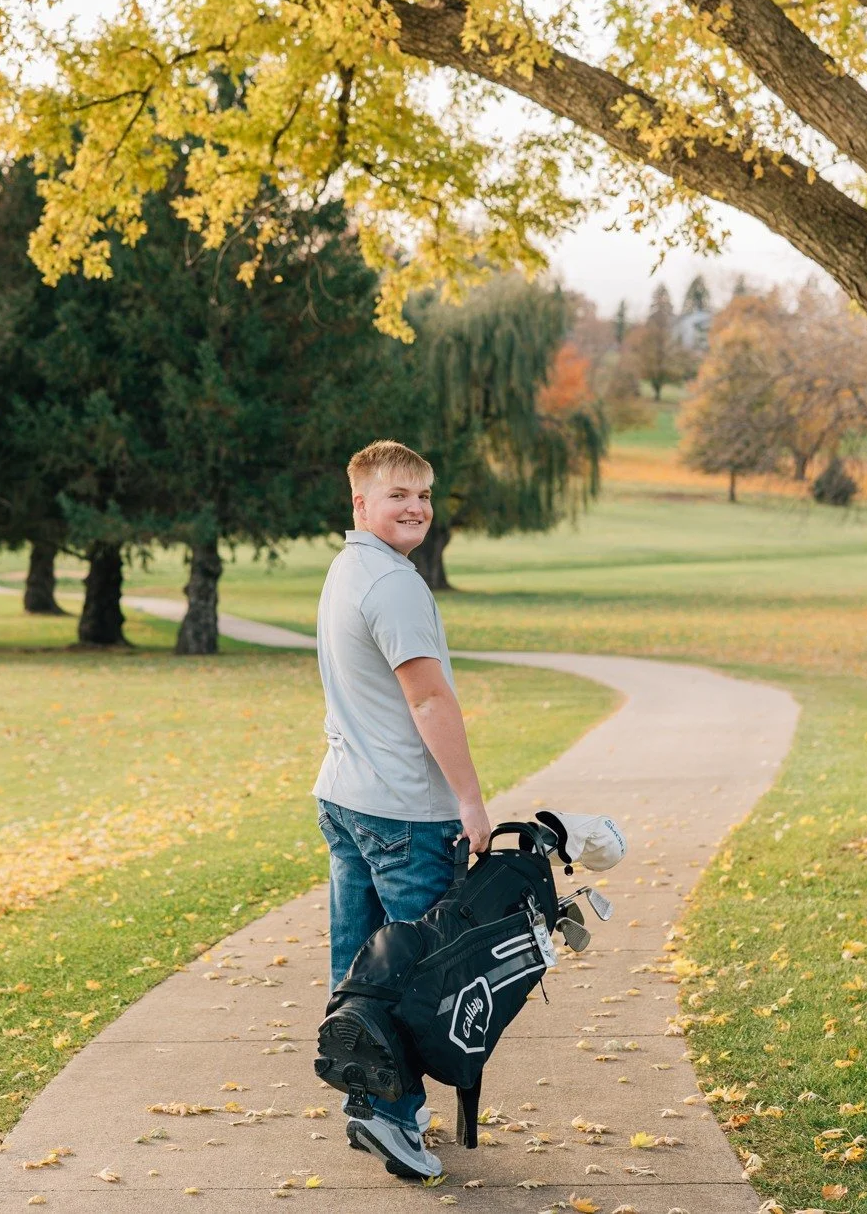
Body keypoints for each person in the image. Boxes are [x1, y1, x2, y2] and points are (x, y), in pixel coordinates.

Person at [313, 438, 491, 1181]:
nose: (414, 507)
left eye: (422, 494)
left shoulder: (348, 567)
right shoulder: (390, 585)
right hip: (401, 813)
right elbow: (425, 696)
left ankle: (374, 1100)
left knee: (359, 964)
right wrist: (470, 801)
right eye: (397, 495)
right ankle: (390, 1115)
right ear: (360, 503)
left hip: (346, 797)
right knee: (418, 974)